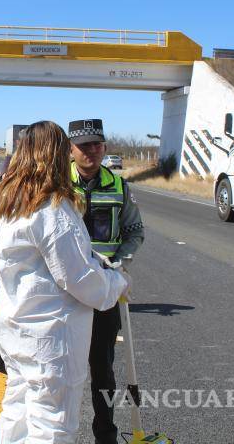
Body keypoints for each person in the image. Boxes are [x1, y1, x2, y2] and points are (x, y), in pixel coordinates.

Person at [0, 120, 130, 443]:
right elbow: (79, 279)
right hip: (50, 338)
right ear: (56, 155)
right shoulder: (52, 209)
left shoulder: (11, 202)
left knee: (17, 412)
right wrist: (117, 282)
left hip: (16, 328)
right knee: (52, 425)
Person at [67, 119, 144, 444]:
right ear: (70, 150)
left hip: (103, 292)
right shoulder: (55, 184)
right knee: (65, 370)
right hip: (67, 293)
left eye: (97, 145)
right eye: (84, 146)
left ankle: (106, 436)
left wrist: (119, 265)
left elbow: (134, 231)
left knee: (103, 369)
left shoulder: (118, 185)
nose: (91, 151)